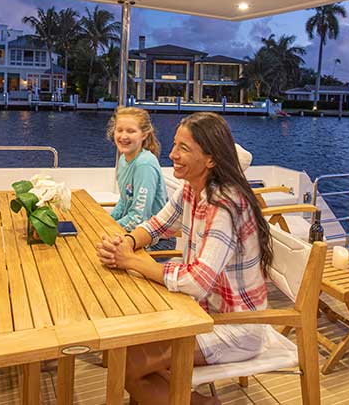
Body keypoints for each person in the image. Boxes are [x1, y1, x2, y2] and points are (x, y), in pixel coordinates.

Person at [96, 112, 273, 405]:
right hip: (199, 312)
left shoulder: (224, 205)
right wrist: (127, 242)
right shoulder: (192, 188)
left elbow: (196, 282)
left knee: (127, 364)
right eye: (175, 145)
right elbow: (157, 224)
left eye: (183, 148)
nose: (172, 154)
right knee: (126, 348)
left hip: (235, 326)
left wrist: (131, 261)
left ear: (210, 159)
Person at [107, 107, 175, 252]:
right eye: (119, 130)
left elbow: (139, 217)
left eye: (131, 131)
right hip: (133, 232)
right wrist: (107, 222)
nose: (123, 136)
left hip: (157, 241)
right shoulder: (124, 159)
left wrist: (109, 229)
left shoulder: (144, 164)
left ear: (143, 134)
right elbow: (124, 200)